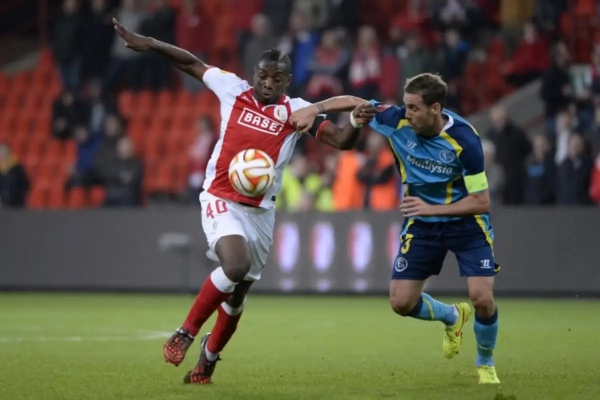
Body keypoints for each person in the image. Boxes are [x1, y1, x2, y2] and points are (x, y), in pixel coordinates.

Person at [111, 18, 375, 385]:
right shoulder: (233, 90)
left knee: (236, 298)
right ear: (254, 75)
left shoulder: (296, 111)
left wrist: (356, 122)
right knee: (235, 265)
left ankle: (208, 359)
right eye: (263, 76)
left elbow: (342, 142)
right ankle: (186, 331)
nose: (268, 83)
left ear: (286, 81)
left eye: (276, 78)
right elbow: (191, 63)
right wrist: (152, 43)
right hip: (220, 198)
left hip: (260, 213)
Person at [292, 73, 501, 385]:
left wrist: (432, 208)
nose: (407, 113)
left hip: (466, 223)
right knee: (401, 303)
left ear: (435, 108)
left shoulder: (465, 140)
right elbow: (353, 101)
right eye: (406, 105)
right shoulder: (396, 119)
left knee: (481, 297)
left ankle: (485, 363)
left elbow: (481, 201)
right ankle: (452, 316)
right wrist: (314, 108)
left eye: (414, 108)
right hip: (422, 223)